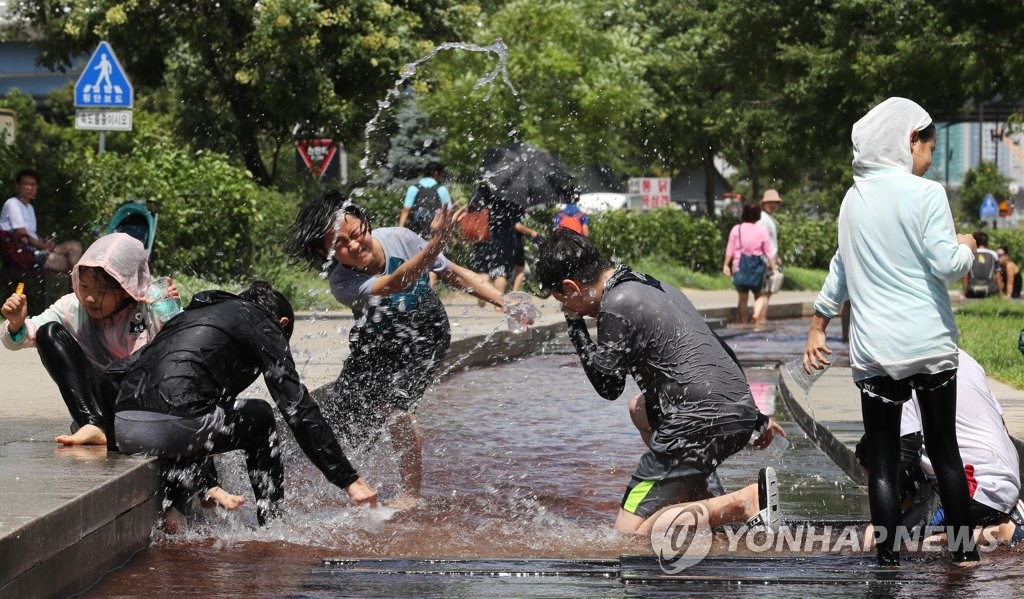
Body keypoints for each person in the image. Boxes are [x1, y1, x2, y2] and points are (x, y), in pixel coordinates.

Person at [802, 97, 980, 566]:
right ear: (909, 141)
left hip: (875, 352)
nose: (930, 157)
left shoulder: (852, 199)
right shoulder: (928, 194)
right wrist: (970, 246)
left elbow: (840, 268)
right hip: (929, 346)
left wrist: (817, 325)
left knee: (881, 462)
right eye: (929, 146)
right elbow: (946, 265)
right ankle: (964, 559)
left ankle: (887, 562)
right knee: (945, 452)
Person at [535, 228, 786, 535]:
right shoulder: (649, 284)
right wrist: (755, 415)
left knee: (631, 533)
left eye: (562, 299)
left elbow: (608, 386)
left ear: (570, 287)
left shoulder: (617, 303)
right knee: (639, 409)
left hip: (697, 420)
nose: (567, 306)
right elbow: (716, 350)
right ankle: (697, 498)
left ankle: (743, 502)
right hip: (733, 411)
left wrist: (574, 325)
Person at [286, 191, 508, 503]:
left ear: (365, 222)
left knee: (395, 406)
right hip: (375, 341)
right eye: (339, 245)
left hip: (426, 335)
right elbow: (395, 283)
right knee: (342, 418)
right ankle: (350, 485)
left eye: (356, 234)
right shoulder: (341, 282)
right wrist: (433, 245)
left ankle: (410, 495)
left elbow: (453, 273)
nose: (353, 246)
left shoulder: (400, 238)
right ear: (327, 254)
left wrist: (502, 300)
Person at [113, 281, 377, 525]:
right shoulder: (261, 320)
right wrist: (348, 479)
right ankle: (272, 524)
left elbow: (113, 374)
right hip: (176, 426)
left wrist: (104, 429)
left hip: (125, 428)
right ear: (281, 324)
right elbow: (295, 404)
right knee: (259, 416)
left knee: (204, 410)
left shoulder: (186, 318)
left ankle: (176, 509)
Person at [1, 232, 176, 447]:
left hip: (141, 404)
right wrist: (17, 324)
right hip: (98, 406)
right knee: (48, 332)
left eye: (102, 291)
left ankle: (111, 427)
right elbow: (26, 334)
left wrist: (171, 310)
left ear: (125, 289)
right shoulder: (72, 306)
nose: (91, 298)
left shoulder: (152, 302)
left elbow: (179, 346)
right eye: (84, 287)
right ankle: (93, 424)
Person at [855, 349, 1024, 547]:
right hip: (1004, 475)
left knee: (893, 544)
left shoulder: (899, 368)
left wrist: (882, 519)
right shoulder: (960, 355)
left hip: (976, 486)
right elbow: (999, 422)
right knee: (868, 449)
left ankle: (1001, 530)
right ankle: (997, 513)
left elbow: (905, 455)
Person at [0, 168, 82, 274]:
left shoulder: (29, 208)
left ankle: (81, 282)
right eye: (26, 184)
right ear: (17, 186)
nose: (30, 187)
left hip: (35, 249)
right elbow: (21, 234)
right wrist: (42, 245)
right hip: (23, 254)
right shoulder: (12, 203)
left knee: (75, 245)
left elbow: (32, 234)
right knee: (68, 263)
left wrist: (45, 242)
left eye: (33, 185)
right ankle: (82, 284)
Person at [723, 203, 776, 325]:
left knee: (742, 299)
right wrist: (773, 269)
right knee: (760, 295)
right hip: (757, 268)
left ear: (744, 213)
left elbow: (730, 249)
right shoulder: (762, 231)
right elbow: (769, 252)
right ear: (758, 215)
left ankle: (744, 323)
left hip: (739, 267)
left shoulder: (737, 229)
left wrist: (726, 265)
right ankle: (757, 314)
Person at [398, 161, 452, 238]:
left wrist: (400, 229)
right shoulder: (442, 190)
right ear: (436, 173)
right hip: (435, 232)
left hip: (416, 231)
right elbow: (448, 212)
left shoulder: (413, 188)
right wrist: (449, 234)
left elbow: (406, 210)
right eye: (441, 173)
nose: (441, 176)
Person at [753, 189, 783, 323]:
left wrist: (777, 257)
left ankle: (759, 318)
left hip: (770, 259)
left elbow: (770, 242)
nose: (773, 205)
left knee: (766, 292)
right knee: (766, 292)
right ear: (764, 203)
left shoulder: (768, 218)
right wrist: (769, 261)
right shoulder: (763, 219)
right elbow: (760, 241)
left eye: (775, 202)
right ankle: (760, 319)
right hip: (765, 261)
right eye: (770, 202)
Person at [962, 230, 1000, 298]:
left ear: (975, 242)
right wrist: (1000, 293)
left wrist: (965, 293)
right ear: (987, 242)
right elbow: (998, 276)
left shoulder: (970, 254)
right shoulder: (993, 254)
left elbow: (965, 276)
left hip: (972, 291)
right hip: (990, 290)